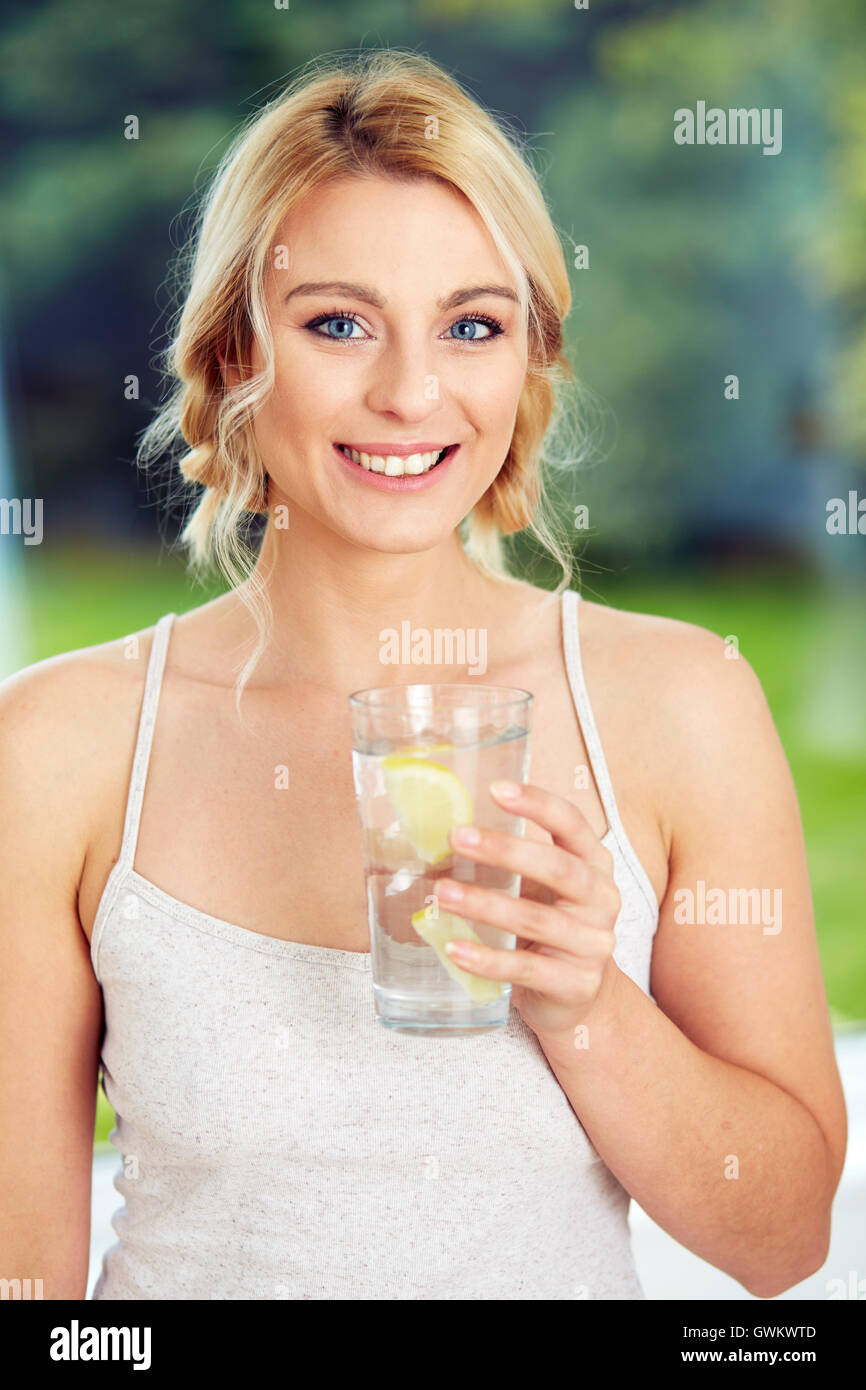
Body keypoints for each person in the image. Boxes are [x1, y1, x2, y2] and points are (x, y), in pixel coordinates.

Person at [0, 49, 846, 1301]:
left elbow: (781, 1242)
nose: (410, 392)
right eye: (337, 322)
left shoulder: (679, 705)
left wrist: (581, 1005)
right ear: (235, 356)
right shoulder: (56, 745)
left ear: (526, 365)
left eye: (471, 325)